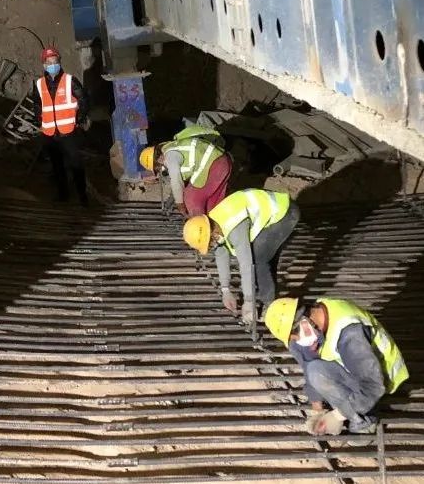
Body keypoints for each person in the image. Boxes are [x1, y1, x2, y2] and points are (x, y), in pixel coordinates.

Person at [265, 296, 409, 435]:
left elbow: (373, 386)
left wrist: (337, 416)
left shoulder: (349, 335)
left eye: (295, 336)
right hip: (352, 367)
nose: (297, 340)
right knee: (313, 368)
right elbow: (308, 363)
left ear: (304, 324)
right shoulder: (317, 314)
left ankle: (364, 421)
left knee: (318, 372)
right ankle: (351, 408)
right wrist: (317, 410)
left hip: (380, 379)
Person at [183, 188, 300, 322]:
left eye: (209, 244)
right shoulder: (214, 223)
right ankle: (264, 294)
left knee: (259, 258)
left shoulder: (234, 227)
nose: (211, 247)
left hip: (285, 213)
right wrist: (225, 290)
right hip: (275, 214)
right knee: (263, 258)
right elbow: (221, 254)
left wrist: (249, 301)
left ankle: (271, 307)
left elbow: (246, 264)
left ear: (212, 234)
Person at [32, 46, 89, 206]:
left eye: (54, 61)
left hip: (68, 132)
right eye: (48, 62)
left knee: (76, 165)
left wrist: (79, 119)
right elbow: (37, 105)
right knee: (57, 167)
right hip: (50, 133)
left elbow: (83, 100)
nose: (52, 65)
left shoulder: (70, 80)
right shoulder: (39, 84)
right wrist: (40, 122)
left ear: (59, 62)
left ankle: (82, 196)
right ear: (44, 65)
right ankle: (63, 196)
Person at [139, 120, 231, 216]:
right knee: (212, 203)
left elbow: (176, 179)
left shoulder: (170, 156)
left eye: (157, 168)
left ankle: (199, 226)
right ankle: (213, 224)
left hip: (214, 166)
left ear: (158, 160)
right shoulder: (172, 147)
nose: (160, 170)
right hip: (221, 161)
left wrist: (180, 203)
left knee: (191, 198)